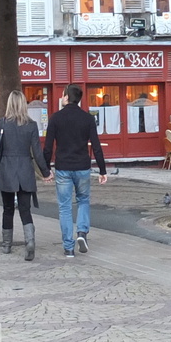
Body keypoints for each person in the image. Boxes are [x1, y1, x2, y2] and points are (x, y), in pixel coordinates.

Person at [43, 85, 107, 260]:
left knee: (64, 207)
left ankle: (68, 248)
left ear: (65, 98)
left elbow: (48, 147)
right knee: (83, 200)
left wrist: (45, 169)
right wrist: (102, 169)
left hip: (63, 167)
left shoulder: (55, 118)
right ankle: (82, 232)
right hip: (82, 167)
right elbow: (96, 146)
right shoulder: (87, 119)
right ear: (79, 99)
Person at [0, 90, 51, 261]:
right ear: (24, 104)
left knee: (7, 209)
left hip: (7, 171)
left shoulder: (1, 124)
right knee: (25, 210)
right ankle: (30, 242)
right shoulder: (31, 125)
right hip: (25, 171)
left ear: (9, 104)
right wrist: (46, 172)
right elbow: (37, 152)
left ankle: (6, 245)